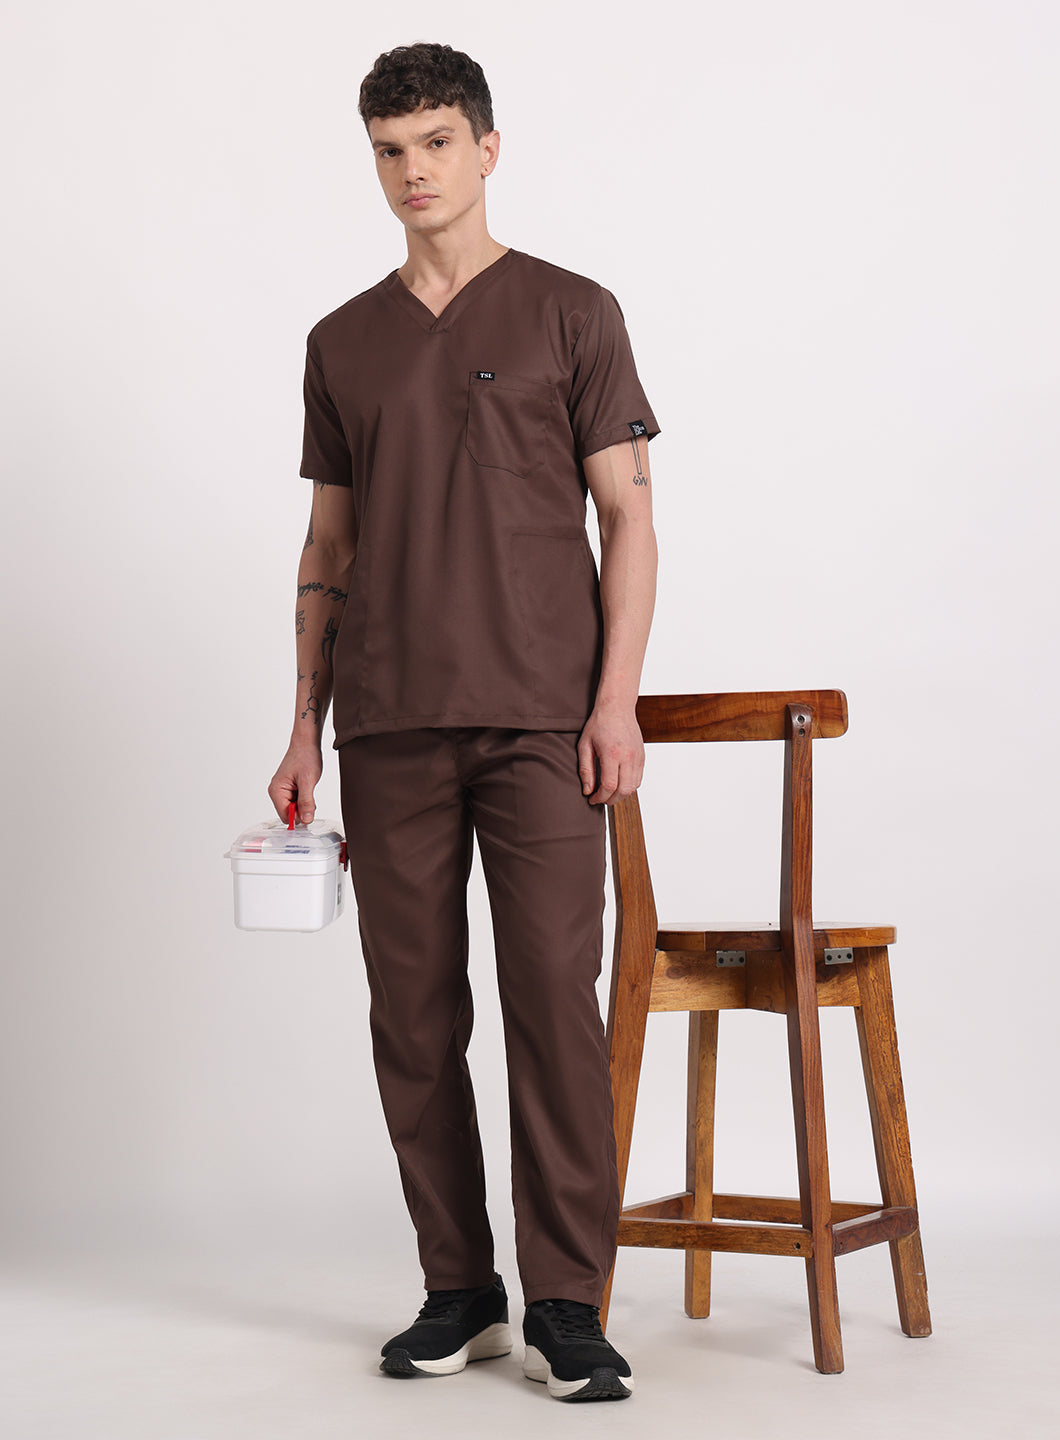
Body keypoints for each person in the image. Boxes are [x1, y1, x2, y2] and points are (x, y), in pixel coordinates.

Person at [268, 40, 659, 1404]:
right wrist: (303, 727)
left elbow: (630, 520)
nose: (413, 171)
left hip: (544, 721)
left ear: (488, 148)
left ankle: (567, 1302)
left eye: (436, 143)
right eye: (390, 151)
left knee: (553, 999)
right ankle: (462, 1289)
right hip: (388, 724)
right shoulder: (342, 343)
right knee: (414, 1016)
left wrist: (613, 700)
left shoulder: (571, 313)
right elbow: (328, 547)